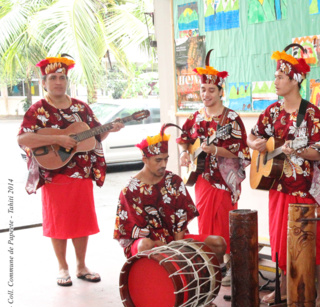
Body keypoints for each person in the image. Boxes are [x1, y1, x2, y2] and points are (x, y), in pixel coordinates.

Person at [17, 55, 124, 287]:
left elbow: (96, 134)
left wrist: (109, 129)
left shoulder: (80, 107)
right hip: (54, 174)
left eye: (62, 78)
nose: (58, 82)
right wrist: (58, 138)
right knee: (58, 222)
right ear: (44, 82)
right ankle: (62, 267)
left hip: (81, 174)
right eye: (53, 78)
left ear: (67, 81)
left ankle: (81, 265)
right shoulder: (38, 110)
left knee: (81, 220)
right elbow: (23, 138)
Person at [247, 44, 320, 307]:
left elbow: (319, 153)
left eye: (280, 77)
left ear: (296, 80)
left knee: (312, 239)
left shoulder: (311, 114)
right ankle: (281, 289)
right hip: (277, 185)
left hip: (303, 188)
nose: (275, 81)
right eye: (275, 77)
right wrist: (256, 145)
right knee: (279, 237)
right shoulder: (272, 111)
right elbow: (251, 136)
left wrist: (297, 149)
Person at [177, 50, 250, 286]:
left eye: (211, 90)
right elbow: (185, 140)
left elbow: (241, 150)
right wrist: (184, 155)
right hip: (202, 180)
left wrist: (216, 151)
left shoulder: (231, 119)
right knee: (205, 220)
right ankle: (208, 263)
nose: (206, 95)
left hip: (225, 179)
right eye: (203, 90)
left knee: (225, 221)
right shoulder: (196, 117)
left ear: (221, 91)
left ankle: (227, 263)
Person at [114, 126, 226, 265]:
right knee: (146, 245)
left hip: (174, 240)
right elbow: (132, 232)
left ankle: (216, 279)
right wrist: (161, 245)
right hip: (148, 243)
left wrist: (176, 246)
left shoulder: (173, 181)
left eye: (166, 159)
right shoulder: (130, 190)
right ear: (145, 159)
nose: (163, 164)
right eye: (158, 160)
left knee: (218, 243)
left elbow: (182, 218)